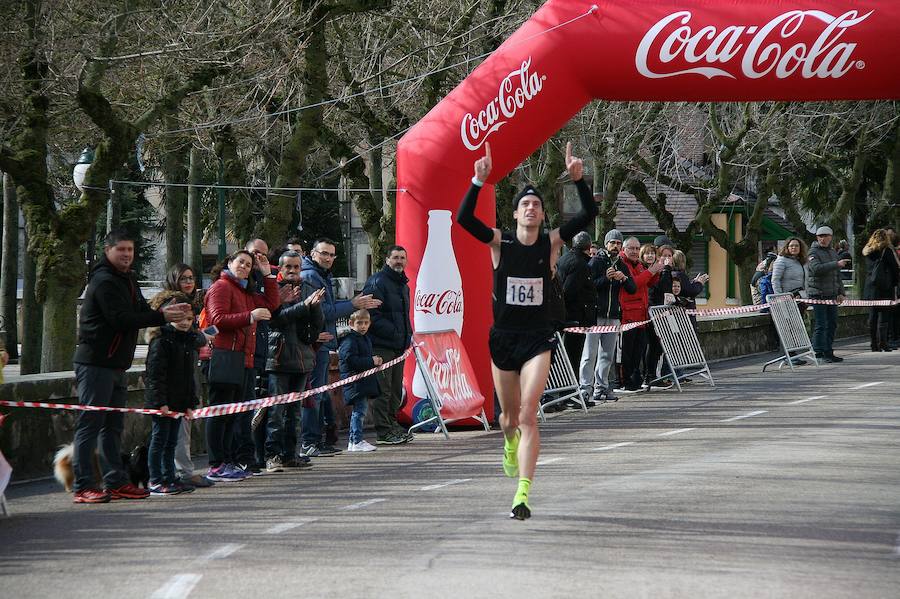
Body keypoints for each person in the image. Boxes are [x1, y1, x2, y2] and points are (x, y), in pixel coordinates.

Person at [456, 141, 598, 520]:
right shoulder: (499, 242)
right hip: (503, 338)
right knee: (507, 419)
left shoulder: (552, 242)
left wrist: (579, 180)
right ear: (516, 213)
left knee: (528, 414)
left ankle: (523, 492)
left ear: (542, 213)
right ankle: (508, 444)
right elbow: (464, 219)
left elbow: (589, 214)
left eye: (536, 204)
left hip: (538, 338)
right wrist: (477, 180)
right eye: (525, 204)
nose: (531, 208)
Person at [71, 229, 192, 503]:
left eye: (130, 250)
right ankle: (83, 485)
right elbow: (121, 318)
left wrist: (162, 315)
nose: (126, 255)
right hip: (95, 364)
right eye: (121, 250)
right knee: (90, 425)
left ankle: (115, 481)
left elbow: (140, 310)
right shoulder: (103, 281)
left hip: (116, 366)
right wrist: (161, 316)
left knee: (112, 427)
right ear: (107, 250)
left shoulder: (128, 279)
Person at [203, 249, 280, 482]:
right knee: (220, 413)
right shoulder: (221, 287)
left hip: (244, 359)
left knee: (235, 414)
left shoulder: (245, 290)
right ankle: (216, 463)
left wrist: (267, 275)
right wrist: (250, 316)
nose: (245, 267)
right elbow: (217, 320)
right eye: (241, 263)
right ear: (230, 263)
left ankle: (228, 460)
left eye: (248, 265)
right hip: (226, 358)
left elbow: (271, 304)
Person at [300, 238, 381, 456]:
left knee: (319, 394)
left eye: (331, 255)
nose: (327, 258)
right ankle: (310, 442)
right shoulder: (309, 276)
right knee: (314, 395)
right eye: (323, 253)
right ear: (313, 253)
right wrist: (353, 305)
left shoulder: (320, 275)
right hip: (316, 344)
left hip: (324, 343)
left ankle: (317, 440)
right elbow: (322, 311)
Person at [264, 251, 325, 472]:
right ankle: (272, 455)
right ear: (280, 268)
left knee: (295, 412)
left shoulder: (308, 289)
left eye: (296, 267)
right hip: (279, 359)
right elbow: (276, 320)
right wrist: (303, 306)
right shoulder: (273, 290)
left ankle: (290, 454)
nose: (292, 271)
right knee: (276, 413)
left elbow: (317, 327)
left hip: (302, 360)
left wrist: (314, 307)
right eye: (288, 267)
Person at [157, 264, 213, 489]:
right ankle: (180, 471)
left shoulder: (183, 302)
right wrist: (202, 337)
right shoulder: (174, 304)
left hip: (187, 370)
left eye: (191, 278)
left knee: (182, 426)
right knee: (175, 429)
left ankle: (177, 471)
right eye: (183, 279)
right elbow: (184, 337)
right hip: (174, 374)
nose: (189, 282)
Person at [144, 308, 205, 496]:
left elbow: (188, 378)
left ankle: (169, 477)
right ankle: (155, 479)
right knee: (159, 440)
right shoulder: (161, 341)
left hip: (179, 403)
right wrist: (160, 402)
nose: (185, 322)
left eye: (189, 319)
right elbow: (155, 375)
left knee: (171, 442)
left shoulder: (186, 342)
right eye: (181, 318)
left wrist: (189, 404)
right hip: (164, 403)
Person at [362, 245, 414, 445]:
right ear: (387, 260)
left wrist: (406, 335)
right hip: (381, 345)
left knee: (394, 390)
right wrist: (397, 333)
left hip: (398, 347)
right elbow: (372, 316)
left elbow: (403, 316)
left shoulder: (403, 285)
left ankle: (392, 426)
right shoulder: (377, 282)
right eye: (395, 257)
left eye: (402, 257)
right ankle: (383, 431)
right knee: (383, 391)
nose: (399, 261)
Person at [582, 229, 633, 403]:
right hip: (596, 315)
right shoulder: (596, 262)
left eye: (618, 243)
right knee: (590, 354)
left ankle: (601, 387)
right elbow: (588, 286)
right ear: (606, 244)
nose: (615, 246)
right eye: (613, 243)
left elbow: (632, 288)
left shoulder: (621, 264)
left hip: (613, 315)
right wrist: (606, 278)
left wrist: (624, 278)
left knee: (607, 355)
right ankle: (584, 389)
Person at [556, 231, 597, 406]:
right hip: (575, 317)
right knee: (573, 356)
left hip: (565, 315)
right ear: (588, 248)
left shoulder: (563, 259)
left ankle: (565, 393)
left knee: (567, 356)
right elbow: (569, 290)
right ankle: (569, 394)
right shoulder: (580, 264)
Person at [619, 237, 664, 391]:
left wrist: (657, 271)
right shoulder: (622, 263)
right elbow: (634, 284)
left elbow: (649, 283)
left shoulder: (638, 264)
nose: (635, 252)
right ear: (624, 249)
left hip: (641, 315)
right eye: (631, 248)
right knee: (627, 352)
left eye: (637, 248)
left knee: (638, 350)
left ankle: (635, 379)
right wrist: (651, 271)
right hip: (628, 315)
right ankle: (626, 381)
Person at [339, 309, 383, 452]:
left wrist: (374, 361)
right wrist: (371, 361)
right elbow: (351, 360)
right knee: (360, 412)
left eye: (365, 323)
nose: (363, 326)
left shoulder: (364, 339)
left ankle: (353, 441)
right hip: (355, 383)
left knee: (359, 411)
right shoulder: (350, 340)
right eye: (359, 323)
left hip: (362, 383)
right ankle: (356, 440)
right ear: (351, 323)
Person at [806, 226, 849, 363]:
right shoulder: (813, 252)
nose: (823, 239)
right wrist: (836, 264)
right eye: (820, 236)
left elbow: (837, 276)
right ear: (817, 237)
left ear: (831, 237)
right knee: (821, 324)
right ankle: (818, 352)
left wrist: (841, 292)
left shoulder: (832, 252)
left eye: (826, 236)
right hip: (818, 294)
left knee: (832, 323)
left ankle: (828, 351)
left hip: (831, 294)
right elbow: (816, 269)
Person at [862, 229, 900, 352]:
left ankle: (873, 344)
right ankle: (883, 343)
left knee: (872, 316)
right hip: (884, 287)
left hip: (870, 287)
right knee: (884, 316)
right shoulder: (886, 251)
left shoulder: (867, 252)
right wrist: (894, 283)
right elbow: (895, 269)